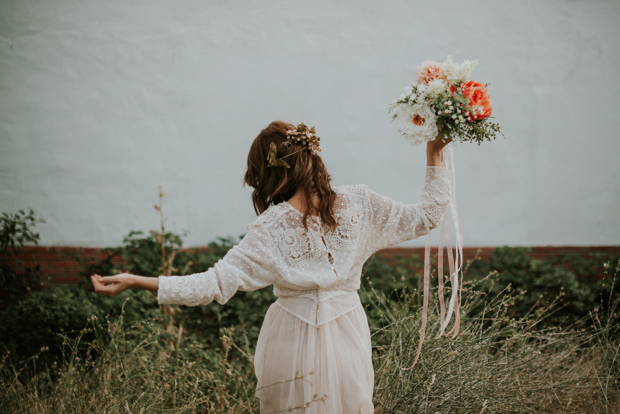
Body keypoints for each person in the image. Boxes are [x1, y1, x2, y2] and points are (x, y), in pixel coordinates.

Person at [91, 120, 452, 413]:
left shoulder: (273, 225)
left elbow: (214, 284)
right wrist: (434, 152)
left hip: (293, 339)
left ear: (267, 171)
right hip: (346, 334)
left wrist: (138, 280)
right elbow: (428, 216)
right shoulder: (358, 203)